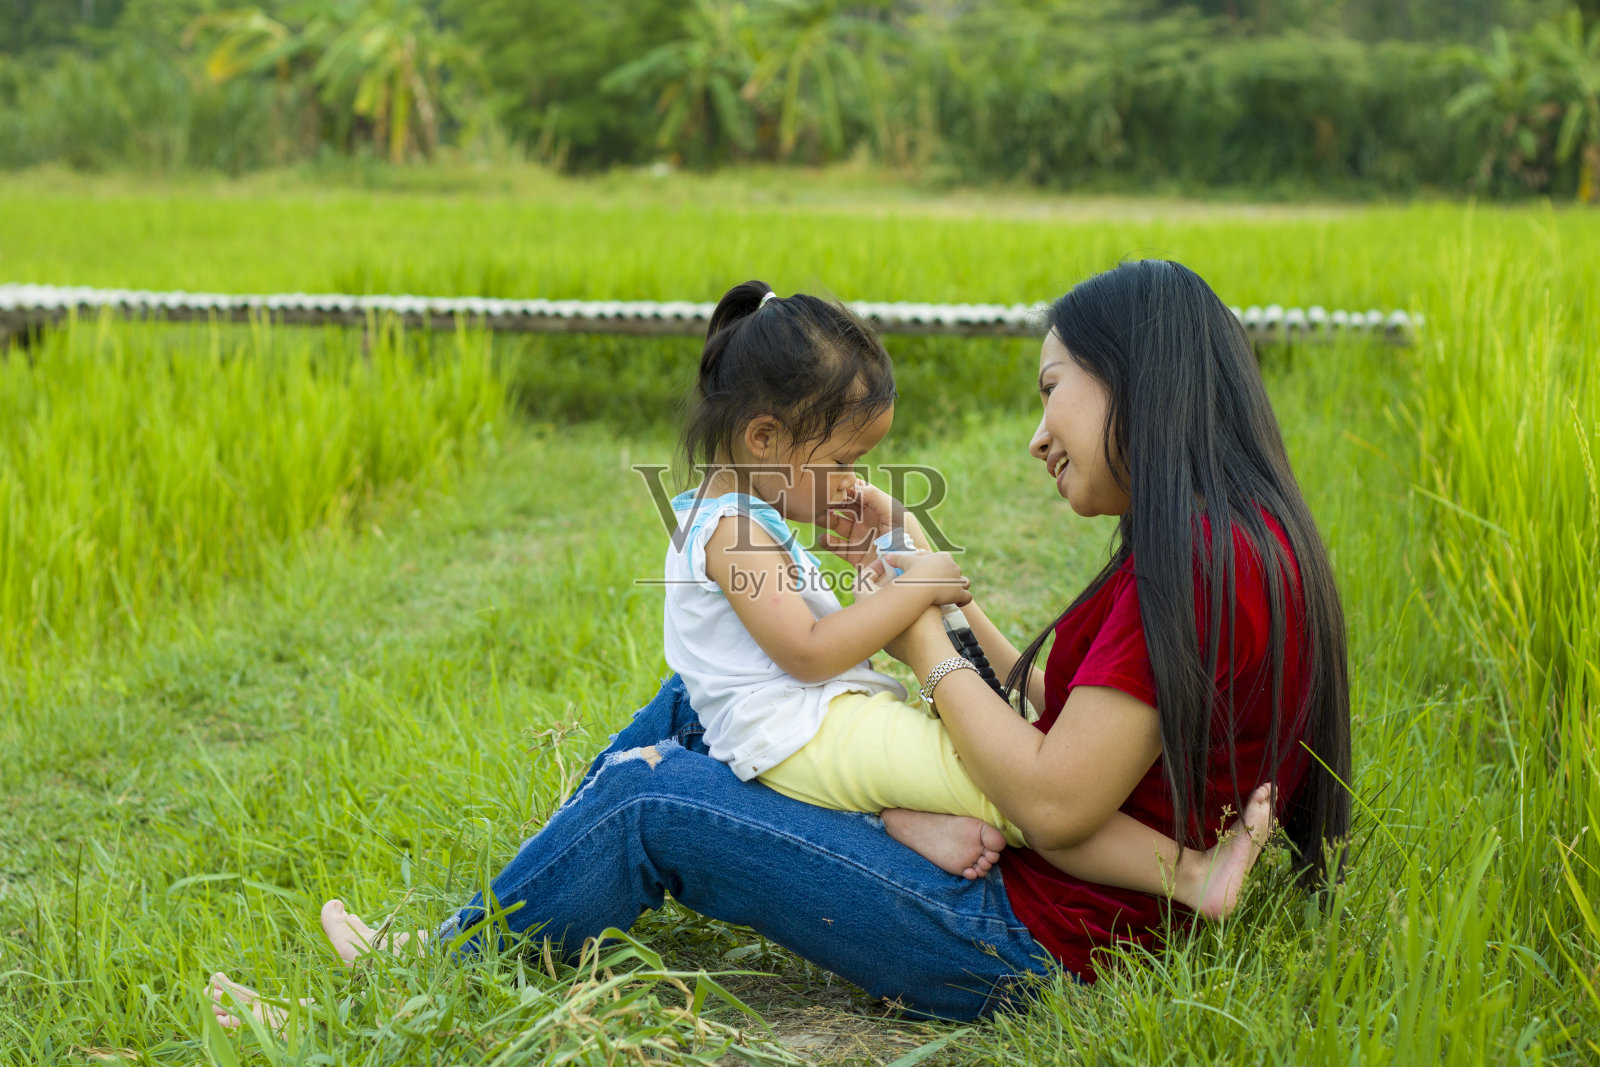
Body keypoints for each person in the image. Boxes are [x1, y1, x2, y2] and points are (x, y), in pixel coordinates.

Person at [210, 260, 1349, 1029]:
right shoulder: (1219, 540)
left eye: (1053, 389)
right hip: (1041, 890)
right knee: (694, 707)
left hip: (1023, 937)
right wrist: (923, 575)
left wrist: (921, 643)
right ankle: (485, 918)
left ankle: (419, 980)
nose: (1038, 430)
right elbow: (1067, 705)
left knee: (652, 801)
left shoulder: (1200, 568)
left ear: (1136, 380)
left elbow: (1053, 799)